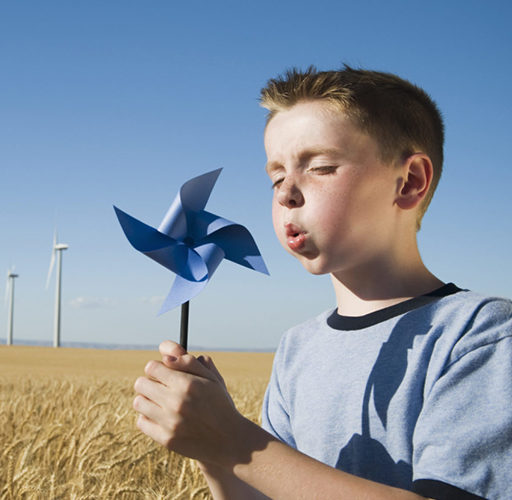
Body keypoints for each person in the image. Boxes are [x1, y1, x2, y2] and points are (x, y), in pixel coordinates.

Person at [132, 65, 512, 499]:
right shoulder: (298, 346)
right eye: (276, 176)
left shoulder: (480, 336)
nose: (285, 192)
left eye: (321, 167)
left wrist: (238, 443)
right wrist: (211, 446)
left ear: (409, 182)